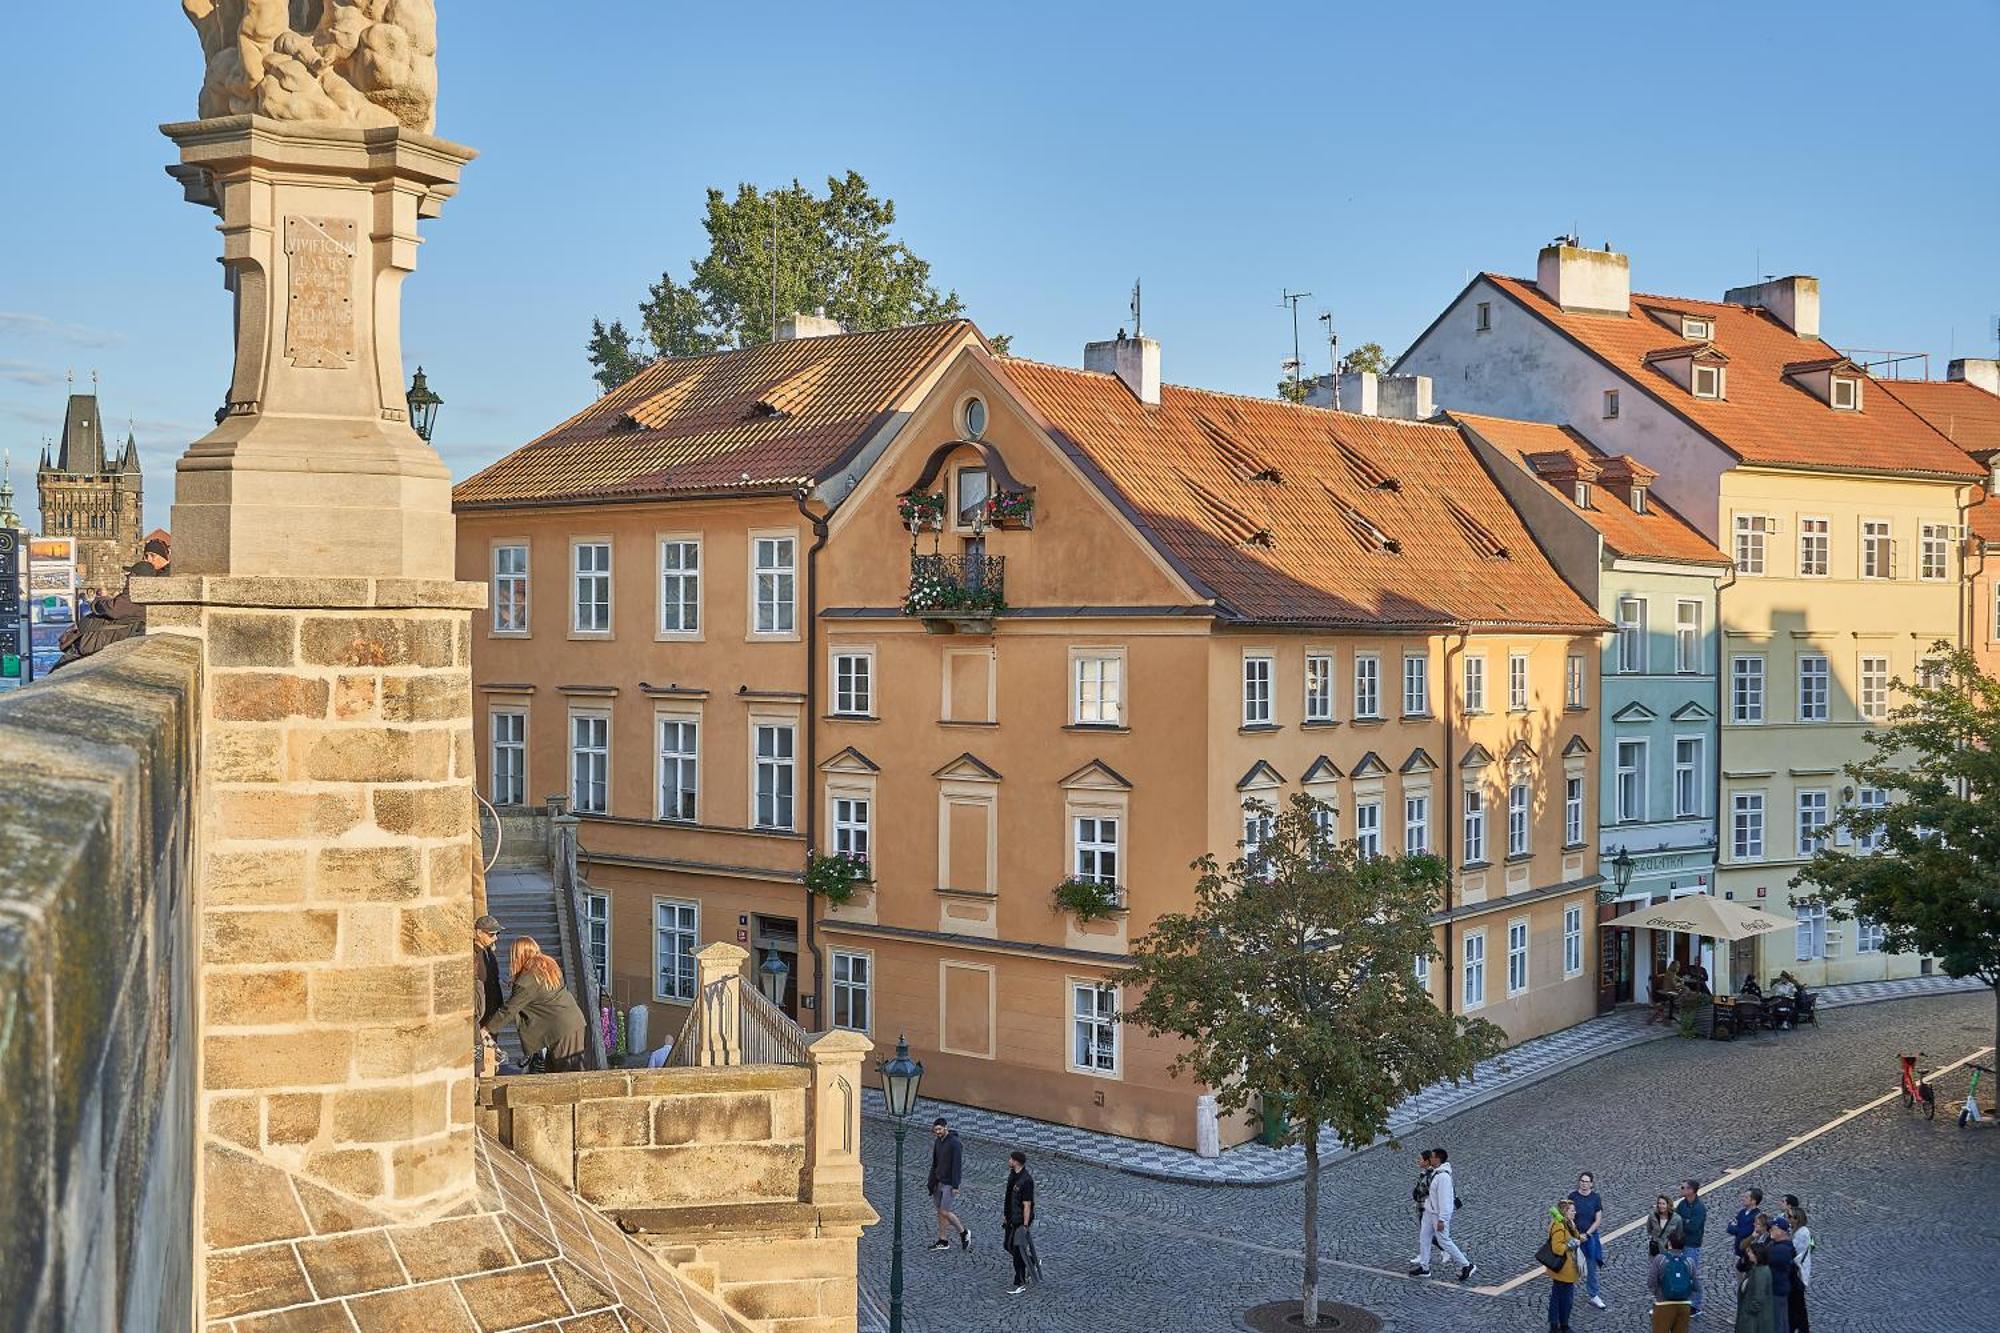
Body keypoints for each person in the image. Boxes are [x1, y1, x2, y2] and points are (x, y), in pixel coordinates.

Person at [481, 936, 588, 1072]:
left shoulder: (527, 980)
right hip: (571, 1022)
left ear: (518, 955)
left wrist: (486, 1029)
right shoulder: (547, 965)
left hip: (560, 1029)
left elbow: (509, 1010)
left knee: (567, 1073)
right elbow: (541, 991)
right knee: (556, 1071)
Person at [1411, 1146, 1474, 1282]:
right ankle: (1424, 1267)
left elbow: (1446, 1201)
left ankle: (1466, 1265)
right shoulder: (1435, 1172)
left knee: (1444, 1241)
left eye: (1432, 1156)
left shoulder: (1443, 1177)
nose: (1430, 1158)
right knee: (1424, 1238)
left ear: (1438, 1159)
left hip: (1437, 1214)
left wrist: (1442, 1220)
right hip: (1429, 1211)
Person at [925, 1117, 968, 1252]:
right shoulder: (938, 1142)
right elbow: (935, 1163)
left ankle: (963, 1232)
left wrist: (955, 1186)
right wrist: (932, 1181)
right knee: (940, 1212)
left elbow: (957, 1166)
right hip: (938, 1181)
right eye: (935, 1130)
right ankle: (943, 1240)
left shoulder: (955, 1144)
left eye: (939, 1129)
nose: (937, 1132)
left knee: (944, 1211)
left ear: (946, 1128)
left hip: (949, 1183)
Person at [1566, 1171, 1607, 1309]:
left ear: (1591, 1184)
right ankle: (1568, 1294)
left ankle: (1593, 1294)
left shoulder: (1595, 1198)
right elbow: (1568, 1216)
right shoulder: (1572, 1196)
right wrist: (1576, 1234)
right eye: (1582, 1181)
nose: (1584, 1184)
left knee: (1591, 1266)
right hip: (1574, 1236)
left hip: (1589, 1238)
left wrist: (1587, 1234)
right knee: (1571, 1265)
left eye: (1586, 1181)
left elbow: (1598, 1219)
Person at [472, 914, 506, 1073]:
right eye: (491, 934)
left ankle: (487, 1074)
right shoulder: (473, 954)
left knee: (490, 1057)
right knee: (477, 1052)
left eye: (497, 934)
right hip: (479, 1016)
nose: (495, 938)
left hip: (491, 1013)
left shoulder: (488, 952)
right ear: (479, 933)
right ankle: (477, 1076)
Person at [1546, 1197, 1583, 1332]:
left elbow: (1577, 1237)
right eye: (1572, 1210)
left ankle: (1558, 1324)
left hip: (1567, 1269)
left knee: (1561, 1297)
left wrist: (1576, 1233)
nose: (1575, 1212)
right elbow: (1557, 1248)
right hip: (1563, 1269)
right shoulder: (1559, 1226)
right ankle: (1559, 1325)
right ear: (1565, 1211)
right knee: (1562, 1298)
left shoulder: (1568, 1223)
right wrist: (1572, 1244)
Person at [1001, 1150, 1036, 1296]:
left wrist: (1025, 1225)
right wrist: (1006, 1215)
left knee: (1017, 1250)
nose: (1009, 1161)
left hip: (1020, 1221)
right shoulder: (1013, 1175)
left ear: (1016, 1161)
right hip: (1011, 1218)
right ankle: (1031, 1261)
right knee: (1007, 1245)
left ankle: (1020, 1280)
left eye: (1010, 1159)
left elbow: (1027, 1204)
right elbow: (1009, 1197)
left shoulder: (1026, 1181)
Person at [1650, 1227, 1696, 1333]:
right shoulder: (1689, 1262)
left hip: (1663, 1304)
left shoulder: (1660, 1259)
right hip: (1684, 1305)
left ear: (1669, 1244)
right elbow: (1697, 1286)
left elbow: (1651, 1282)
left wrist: (1657, 1294)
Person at [1675, 1179, 1708, 1317]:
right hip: (1681, 1242)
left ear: (1691, 1191)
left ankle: (1696, 1304)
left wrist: (1683, 1222)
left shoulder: (1699, 1208)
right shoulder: (1682, 1204)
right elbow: (1675, 1220)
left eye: (1683, 1187)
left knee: (1692, 1274)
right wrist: (1684, 1221)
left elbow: (1693, 1227)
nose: (1680, 1189)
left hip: (1692, 1244)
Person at [1733, 1242, 1776, 1333]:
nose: (1748, 1254)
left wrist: (1748, 1310)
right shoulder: (1755, 1269)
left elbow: (1758, 1298)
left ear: (1757, 1255)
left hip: (1754, 1320)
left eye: (1751, 1252)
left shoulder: (1761, 1273)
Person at [1765, 1217, 1798, 1333]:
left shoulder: (1781, 1249)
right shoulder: (1778, 1245)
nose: (1770, 1230)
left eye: (1773, 1228)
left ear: (1782, 1231)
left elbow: (1763, 1260)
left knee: (1777, 1321)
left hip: (1777, 1289)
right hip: (1779, 1287)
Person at [1784, 1202, 1812, 1333]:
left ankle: (1800, 1327)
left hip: (1799, 1274)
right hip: (1795, 1272)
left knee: (1798, 1304)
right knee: (1795, 1304)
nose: (1787, 1218)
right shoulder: (1794, 1230)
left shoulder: (1802, 1233)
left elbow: (1795, 1252)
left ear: (1797, 1219)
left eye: (1789, 1216)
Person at [1409, 1150, 1436, 1270]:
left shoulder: (1429, 1174)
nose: (1418, 1161)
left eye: (1420, 1159)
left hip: (1426, 1207)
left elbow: (1426, 1190)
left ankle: (1445, 1251)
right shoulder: (1425, 1172)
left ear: (1426, 1161)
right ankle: (1424, 1261)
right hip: (1422, 1206)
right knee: (1424, 1234)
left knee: (1430, 1235)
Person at [1726, 1188, 1764, 1261]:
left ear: (1753, 1201)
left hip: (1749, 1254)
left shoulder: (1757, 1216)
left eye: (1746, 1197)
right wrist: (1739, 1230)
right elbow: (1729, 1229)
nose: (1743, 1199)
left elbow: (1744, 1233)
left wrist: (1736, 1229)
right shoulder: (1742, 1212)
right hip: (1739, 1251)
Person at [1646, 1194, 1685, 1258]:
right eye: (1659, 1203)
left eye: (1663, 1204)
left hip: (1670, 1252)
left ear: (1668, 1205)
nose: (1660, 1206)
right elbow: (1649, 1230)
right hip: (1655, 1250)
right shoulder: (1652, 1216)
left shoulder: (1677, 1218)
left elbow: (1679, 1234)